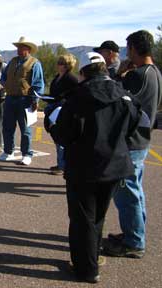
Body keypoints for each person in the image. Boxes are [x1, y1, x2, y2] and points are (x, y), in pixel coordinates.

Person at [50, 52, 140, 283]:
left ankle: (86, 268)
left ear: (83, 73)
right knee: (98, 215)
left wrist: (52, 125)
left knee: (82, 219)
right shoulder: (123, 95)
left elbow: (64, 134)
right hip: (115, 166)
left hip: (84, 167)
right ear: (103, 69)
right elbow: (136, 124)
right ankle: (93, 257)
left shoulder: (77, 98)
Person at [103, 30, 162, 258]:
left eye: (128, 47)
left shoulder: (137, 75)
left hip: (130, 141)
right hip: (142, 138)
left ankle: (134, 241)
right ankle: (135, 233)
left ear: (135, 49)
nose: (127, 52)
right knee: (135, 190)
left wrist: (119, 74)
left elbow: (114, 98)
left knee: (126, 192)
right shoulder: (155, 72)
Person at [0, 37, 44, 165]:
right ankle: (9, 151)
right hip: (10, 98)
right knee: (7, 127)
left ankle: (27, 154)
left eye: (21, 47)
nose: (18, 50)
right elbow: (4, 75)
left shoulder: (35, 63)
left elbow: (38, 84)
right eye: (18, 47)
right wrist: (4, 83)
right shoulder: (13, 61)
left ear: (28, 49)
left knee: (25, 129)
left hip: (25, 99)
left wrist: (35, 100)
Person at [44, 54, 78, 175]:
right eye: (58, 62)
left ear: (67, 65)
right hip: (54, 110)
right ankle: (60, 164)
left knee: (62, 139)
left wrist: (61, 101)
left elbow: (74, 96)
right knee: (57, 138)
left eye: (61, 63)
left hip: (63, 112)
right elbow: (54, 94)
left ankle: (63, 166)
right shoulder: (58, 77)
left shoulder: (71, 79)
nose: (58, 65)